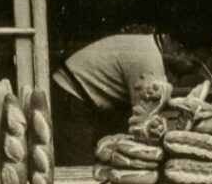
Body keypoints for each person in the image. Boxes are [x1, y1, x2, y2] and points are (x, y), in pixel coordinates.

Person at [51, 27, 196, 165]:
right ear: (179, 50)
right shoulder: (148, 59)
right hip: (70, 95)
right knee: (79, 165)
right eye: (193, 62)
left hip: (80, 92)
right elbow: (144, 120)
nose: (192, 68)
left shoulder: (149, 45)